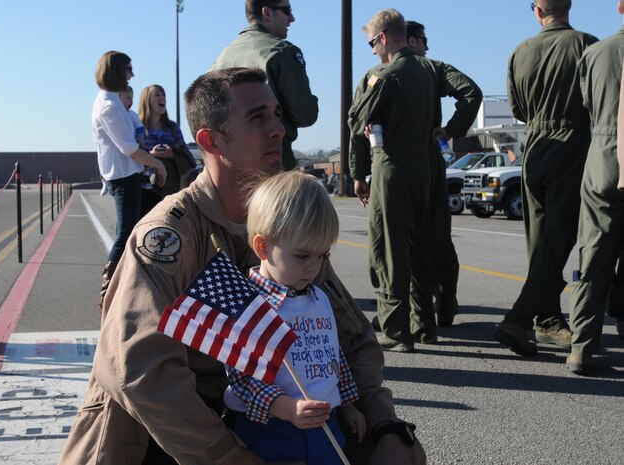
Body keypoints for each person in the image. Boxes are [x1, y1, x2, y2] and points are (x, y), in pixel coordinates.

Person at [59, 68, 426, 465]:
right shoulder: (170, 233)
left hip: (263, 417)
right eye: (257, 117)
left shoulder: (282, 224)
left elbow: (351, 338)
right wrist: (231, 458)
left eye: (276, 115)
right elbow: (141, 371)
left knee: (401, 454)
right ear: (209, 140)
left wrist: (384, 424)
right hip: (167, 434)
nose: (278, 130)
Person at [225, 171, 367, 464]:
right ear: (263, 247)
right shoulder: (249, 304)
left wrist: (349, 405)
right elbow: (241, 377)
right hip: (271, 429)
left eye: (322, 256)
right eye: (303, 256)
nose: (313, 267)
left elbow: (333, 356)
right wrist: (285, 407)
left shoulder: (319, 298)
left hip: (326, 425)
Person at [493, 0, 598, 356]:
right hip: (573, 144)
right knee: (558, 241)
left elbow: (518, 109)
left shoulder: (519, 52)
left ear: (536, 11)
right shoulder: (586, 44)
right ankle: (520, 318)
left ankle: (547, 318)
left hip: (535, 147)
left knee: (540, 242)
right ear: (569, 7)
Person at [348, 9, 436, 353]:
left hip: (392, 167)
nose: (372, 51)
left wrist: (359, 172)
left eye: (372, 42)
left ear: (384, 37)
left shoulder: (385, 75)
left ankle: (396, 330)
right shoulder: (425, 72)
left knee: (388, 248)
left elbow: (357, 118)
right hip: (421, 167)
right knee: (418, 246)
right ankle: (424, 323)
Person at [405, 20, 483, 327]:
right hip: (430, 161)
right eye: (424, 40)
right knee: (439, 237)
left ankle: (415, 315)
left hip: (399, 166)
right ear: (412, 41)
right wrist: (450, 130)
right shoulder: (434, 69)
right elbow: (471, 92)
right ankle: (446, 302)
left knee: (407, 242)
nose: (427, 46)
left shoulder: (382, 75)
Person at [566, 0, 624, 375]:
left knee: (594, 251)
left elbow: (587, 103)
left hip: (603, 154)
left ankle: (582, 346)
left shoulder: (596, 52)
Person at [92, 51, 167, 310]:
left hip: (128, 174)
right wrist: (157, 163)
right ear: (116, 71)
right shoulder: (109, 106)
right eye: (128, 69)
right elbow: (129, 148)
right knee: (126, 234)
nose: (132, 74)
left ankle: (122, 286)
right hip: (123, 176)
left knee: (130, 230)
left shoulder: (112, 102)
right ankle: (108, 293)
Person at [211, 0, 318, 171]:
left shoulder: (222, 58)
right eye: (286, 10)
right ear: (267, 12)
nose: (292, 18)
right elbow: (305, 115)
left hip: (229, 167)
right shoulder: (281, 51)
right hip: (272, 161)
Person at [137, 84, 194, 217]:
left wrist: (172, 153)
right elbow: (131, 156)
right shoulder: (138, 127)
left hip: (169, 188)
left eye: (163, 95)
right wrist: (152, 155)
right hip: (143, 189)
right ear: (146, 100)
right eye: (157, 94)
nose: (162, 97)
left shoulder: (173, 128)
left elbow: (187, 155)